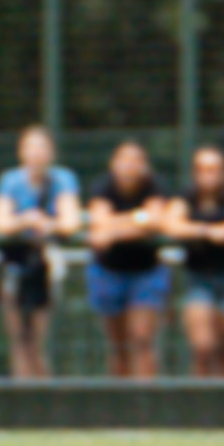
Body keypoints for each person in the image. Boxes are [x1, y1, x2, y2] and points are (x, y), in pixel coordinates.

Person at [0, 126, 81, 382]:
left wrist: (47, 225)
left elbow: (70, 222)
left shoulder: (62, 180)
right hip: (14, 264)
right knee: (18, 338)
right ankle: (21, 391)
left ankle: (42, 393)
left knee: (38, 340)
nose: (36, 154)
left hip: (44, 266)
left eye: (41, 147)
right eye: (30, 147)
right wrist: (27, 220)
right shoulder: (10, 181)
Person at [82, 141, 173, 381]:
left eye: (136, 161)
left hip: (146, 272)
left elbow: (155, 220)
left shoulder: (154, 186)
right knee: (118, 345)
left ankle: (146, 405)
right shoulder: (102, 187)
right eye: (124, 160)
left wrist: (115, 229)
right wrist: (137, 222)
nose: (129, 167)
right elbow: (99, 223)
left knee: (142, 340)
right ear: (113, 164)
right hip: (108, 271)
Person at [167, 146, 224, 379]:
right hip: (198, 277)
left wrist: (217, 234)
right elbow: (171, 224)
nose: (209, 176)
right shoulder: (188, 196)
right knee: (203, 347)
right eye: (204, 170)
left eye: (215, 170)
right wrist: (206, 230)